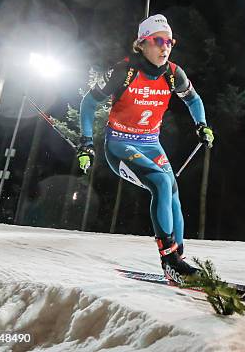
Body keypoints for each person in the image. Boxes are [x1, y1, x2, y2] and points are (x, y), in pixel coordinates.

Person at [76, 14, 214, 284]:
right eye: (158, 41)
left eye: (170, 42)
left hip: (151, 143)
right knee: (161, 182)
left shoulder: (174, 74)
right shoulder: (124, 71)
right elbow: (88, 104)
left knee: (172, 190)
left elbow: (194, 100)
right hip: (120, 144)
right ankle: (169, 261)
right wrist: (86, 143)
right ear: (141, 44)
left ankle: (178, 259)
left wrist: (202, 125)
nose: (165, 47)